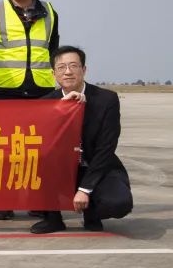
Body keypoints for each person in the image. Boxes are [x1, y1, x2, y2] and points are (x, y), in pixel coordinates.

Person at [0, 0, 60, 220]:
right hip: (6, 91)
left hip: (41, 90)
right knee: (4, 148)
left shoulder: (50, 12)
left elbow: (53, 50)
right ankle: (5, 201)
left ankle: (38, 201)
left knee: (38, 149)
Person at [30, 46, 133, 233]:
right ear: (54, 73)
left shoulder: (106, 99)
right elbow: (37, 141)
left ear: (83, 70)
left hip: (95, 166)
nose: (67, 72)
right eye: (61, 68)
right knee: (33, 165)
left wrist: (85, 189)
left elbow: (106, 148)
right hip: (60, 170)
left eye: (73, 66)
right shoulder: (45, 104)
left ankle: (92, 211)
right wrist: (60, 110)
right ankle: (52, 218)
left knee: (118, 203)